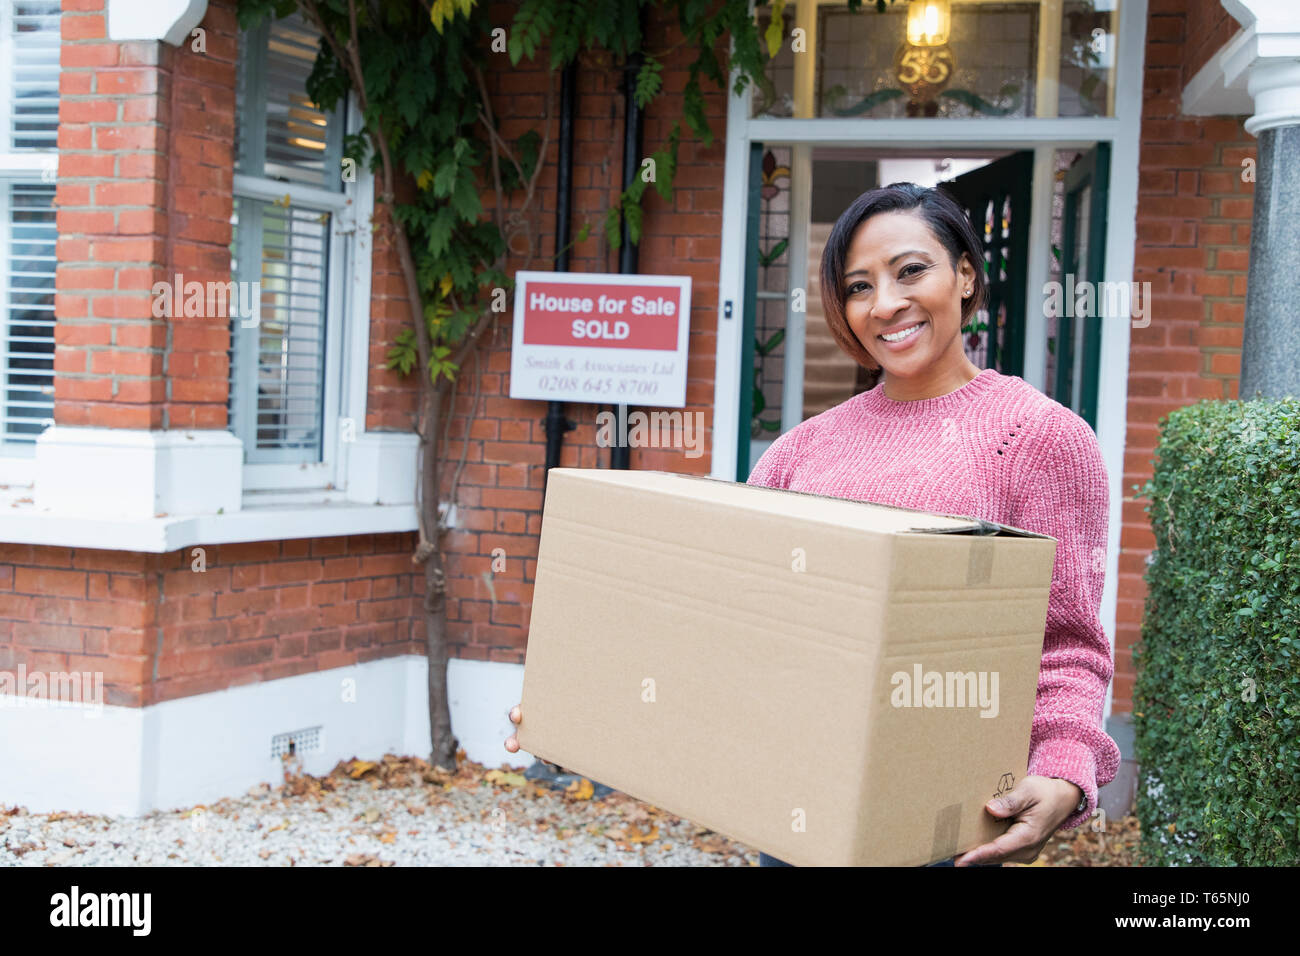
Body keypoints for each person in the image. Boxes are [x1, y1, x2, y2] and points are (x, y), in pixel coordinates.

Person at [507, 181, 1121, 867]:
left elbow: (1070, 643)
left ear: (967, 276)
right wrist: (581, 701)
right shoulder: (805, 448)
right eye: (859, 286)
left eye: (911, 270)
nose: (885, 304)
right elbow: (719, 622)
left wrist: (1066, 772)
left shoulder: (1037, 437)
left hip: (941, 827)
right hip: (793, 812)